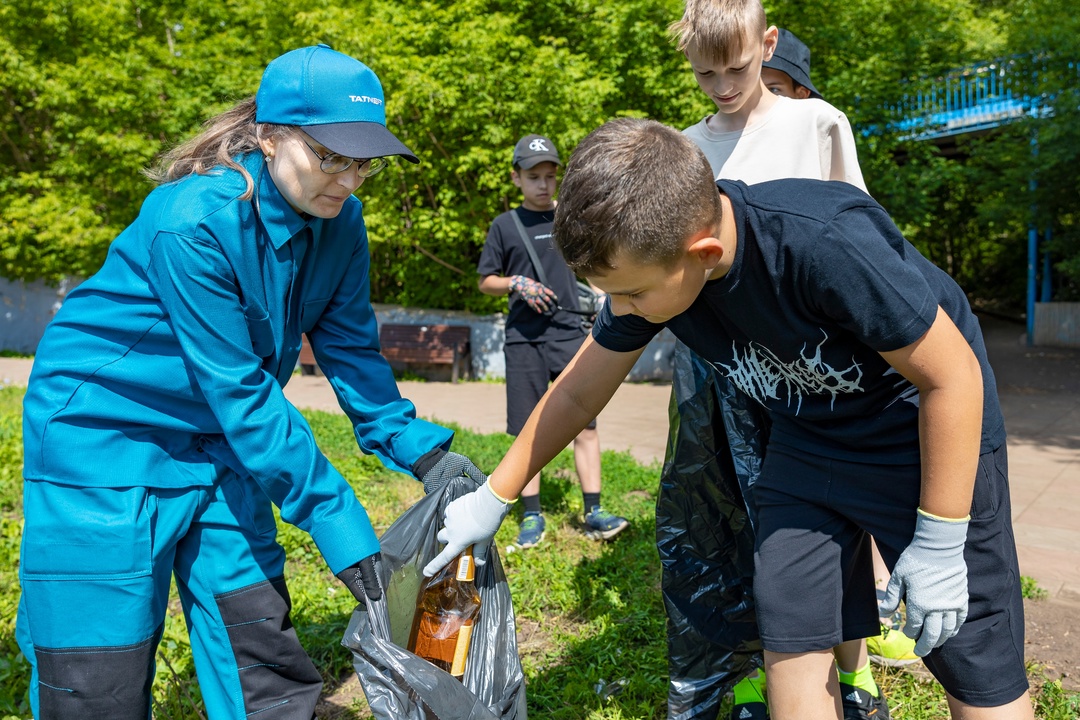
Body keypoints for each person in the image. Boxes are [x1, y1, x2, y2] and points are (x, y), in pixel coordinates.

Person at [427, 117, 1036, 720]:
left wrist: (939, 539)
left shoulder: (823, 243)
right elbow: (575, 396)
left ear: (705, 253)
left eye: (633, 295)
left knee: (969, 647)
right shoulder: (658, 266)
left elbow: (953, 377)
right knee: (791, 624)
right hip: (807, 439)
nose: (622, 312)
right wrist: (494, 495)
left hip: (919, 434)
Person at [16, 44, 487, 719]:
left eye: (363, 162)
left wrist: (422, 450)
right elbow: (240, 391)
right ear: (268, 137)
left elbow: (350, 348)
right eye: (330, 156)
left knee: (257, 641)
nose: (349, 180)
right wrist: (343, 528)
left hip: (221, 442)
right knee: (97, 678)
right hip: (105, 437)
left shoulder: (340, 222)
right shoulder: (194, 223)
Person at [668, 2, 885, 716]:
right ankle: (776, 664)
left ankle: (851, 667)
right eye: (706, 74)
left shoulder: (815, 124)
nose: (723, 85)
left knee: (830, 511)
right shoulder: (686, 148)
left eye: (736, 68)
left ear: (767, 45)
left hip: (810, 362)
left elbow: (859, 234)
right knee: (752, 511)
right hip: (723, 363)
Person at [476, 133, 629, 549]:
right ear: (516, 178)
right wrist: (516, 284)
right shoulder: (504, 225)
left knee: (586, 424)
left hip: (569, 334)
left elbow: (598, 266)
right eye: (533, 176)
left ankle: (594, 511)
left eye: (550, 176)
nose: (543, 185)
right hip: (523, 339)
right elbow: (485, 281)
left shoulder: (570, 219)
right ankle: (531, 515)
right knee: (528, 427)